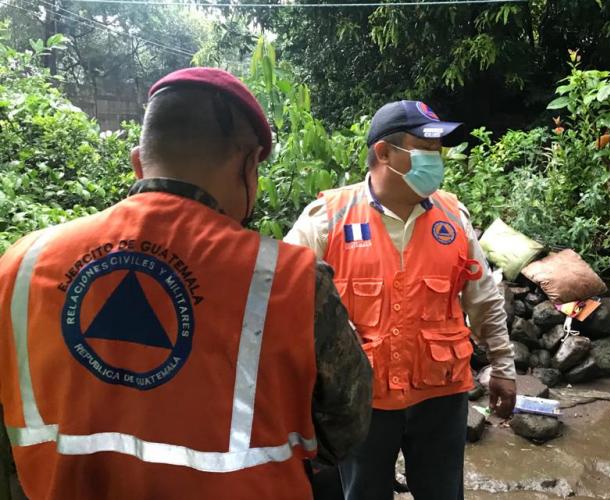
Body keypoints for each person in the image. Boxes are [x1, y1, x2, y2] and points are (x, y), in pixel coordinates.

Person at [0, 67, 372, 500]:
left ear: (138, 160)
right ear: (249, 164)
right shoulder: (292, 281)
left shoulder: (21, 265)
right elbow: (345, 429)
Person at [285, 100, 516, 500]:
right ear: (384, 153)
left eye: (439, 148)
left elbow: (484, 299)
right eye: (425, 148)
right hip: (361, 399)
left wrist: (503, 366)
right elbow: (283, 298)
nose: (436, 158)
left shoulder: (453, 217)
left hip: (440, 396)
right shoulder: (328, 218)